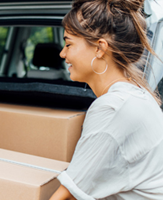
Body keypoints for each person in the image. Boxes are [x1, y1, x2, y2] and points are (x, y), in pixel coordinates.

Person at [50, 0, 163, 199]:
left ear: (100, 49)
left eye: (69, 44)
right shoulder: (135, 94)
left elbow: (68, 195)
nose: (62, 53)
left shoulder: (113, 107)